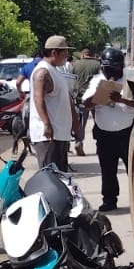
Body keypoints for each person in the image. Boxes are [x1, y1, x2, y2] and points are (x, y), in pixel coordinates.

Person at [81, 46, 134, 213]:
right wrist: (98, 98)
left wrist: (121, 99)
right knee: (108, 170)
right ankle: (109, 200)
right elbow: (85, 105)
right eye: (106, 69)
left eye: (113, 69)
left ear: (121, 67)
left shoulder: (130, 80)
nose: (110, 72)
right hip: (104, 134)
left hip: (127, 133)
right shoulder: (96, 81)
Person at [27, 35, 78, 170]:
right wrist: (46, 124)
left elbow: (66, 98)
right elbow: (39, 98)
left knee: (60, 179)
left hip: (60, 134)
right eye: (64, 53)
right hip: (48, 137)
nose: (67, 56)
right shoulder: (43, 72)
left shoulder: (55, 71)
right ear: (54, 52)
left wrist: (74, 121)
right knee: (49, 179)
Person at [70, 49, 100, 156]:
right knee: (99, 122)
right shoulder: (97, 65)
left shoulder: (76, 65)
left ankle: (79, 141)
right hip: (95, 97)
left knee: (81, 122)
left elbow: (72, 80)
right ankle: (99, 144)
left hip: (80, 97)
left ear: (83, 55)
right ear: (92, 55)